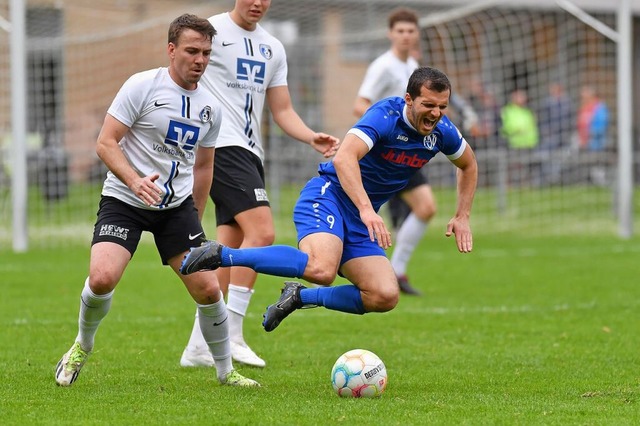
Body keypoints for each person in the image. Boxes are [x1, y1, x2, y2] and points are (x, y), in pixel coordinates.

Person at [180, 66, 477, 334]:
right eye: (428, 105)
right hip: (328, 196)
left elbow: (469, 164)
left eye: (442, 107)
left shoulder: (442, 132)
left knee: (384, 295)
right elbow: (345, 157)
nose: (436, 114)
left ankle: (299, 296)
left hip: (362, 216)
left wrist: (462, 214)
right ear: (409, 100)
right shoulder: (385, 116)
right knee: (321, 269)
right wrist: (366, 209)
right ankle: (220, 254)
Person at [54, 14, 259, 388]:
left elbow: (203, 166)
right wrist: (133, 181)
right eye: (192, 51)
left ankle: (225, 371)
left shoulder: (211, 107)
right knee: (101, 278)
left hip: (175, 209)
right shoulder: (142, 86)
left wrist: (195, 216)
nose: (200, 60)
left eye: (206, 53)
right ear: (171, 50)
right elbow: (105, 142)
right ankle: (81, 347)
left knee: (210, 289)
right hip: (125, 199)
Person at [180, 0, 340, 369]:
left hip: (251, 153)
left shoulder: (273, 47)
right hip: (220, 146)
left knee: (228, 245)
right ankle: (232, 333)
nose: (258, 3)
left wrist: (309, 137)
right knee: (263, 232)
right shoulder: (211, 33)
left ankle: (200, 344)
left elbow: (281, 109)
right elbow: (186, 75)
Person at [501, 89, 539, 185]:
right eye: (520, 96)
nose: (523, 98)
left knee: (526, 169)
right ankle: (510, 187)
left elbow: (532, 127)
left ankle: (524, 185)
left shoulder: (528, 112)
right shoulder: (508, 110)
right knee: (514, 168)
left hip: (529, 144)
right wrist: (519, 130)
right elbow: (507, 127)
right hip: (515, 144)